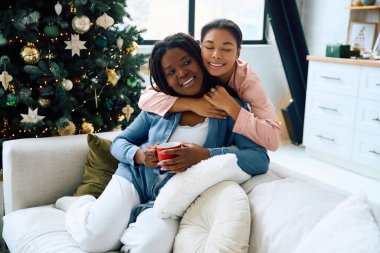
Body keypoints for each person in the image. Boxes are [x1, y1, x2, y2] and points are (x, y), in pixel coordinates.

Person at [62, 33, 269, 253]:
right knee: (93, 241)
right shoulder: (161, 105)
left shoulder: (227, 106)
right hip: (134, 179)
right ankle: (79, 205)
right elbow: (120, 142)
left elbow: (259, 157)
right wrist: (139, 156)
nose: (182, 73)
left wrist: (206, 155)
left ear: (199, 59)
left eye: (187, 62)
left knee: (151, 245)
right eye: (171, 72)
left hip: (170, 200)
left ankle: (123, 228)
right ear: (164, 80)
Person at [139, 19, 282, 151]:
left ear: (238, 52)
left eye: (226, 49)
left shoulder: (248, 82)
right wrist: (192, 104)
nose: (216, 55)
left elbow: (274, 140)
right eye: (209, 47)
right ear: (200, 47)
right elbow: (145, 98)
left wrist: (231, 106)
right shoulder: (195, 66)